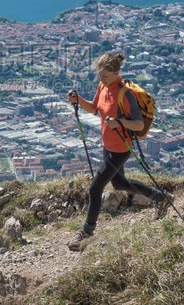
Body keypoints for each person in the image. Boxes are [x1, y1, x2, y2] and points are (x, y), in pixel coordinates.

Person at [66, 52, 173, 251]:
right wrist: (77, 99)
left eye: (105, 76)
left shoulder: (125, 94)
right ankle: (161, 197)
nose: (102, 79)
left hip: (121, 148)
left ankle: (86, 232)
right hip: (108, 146)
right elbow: (93, 109)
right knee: (120, 184)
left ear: (116, 73)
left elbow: (138, 123)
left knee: (95, 188)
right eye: (100, 76)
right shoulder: (103, 87)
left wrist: (119, 122)